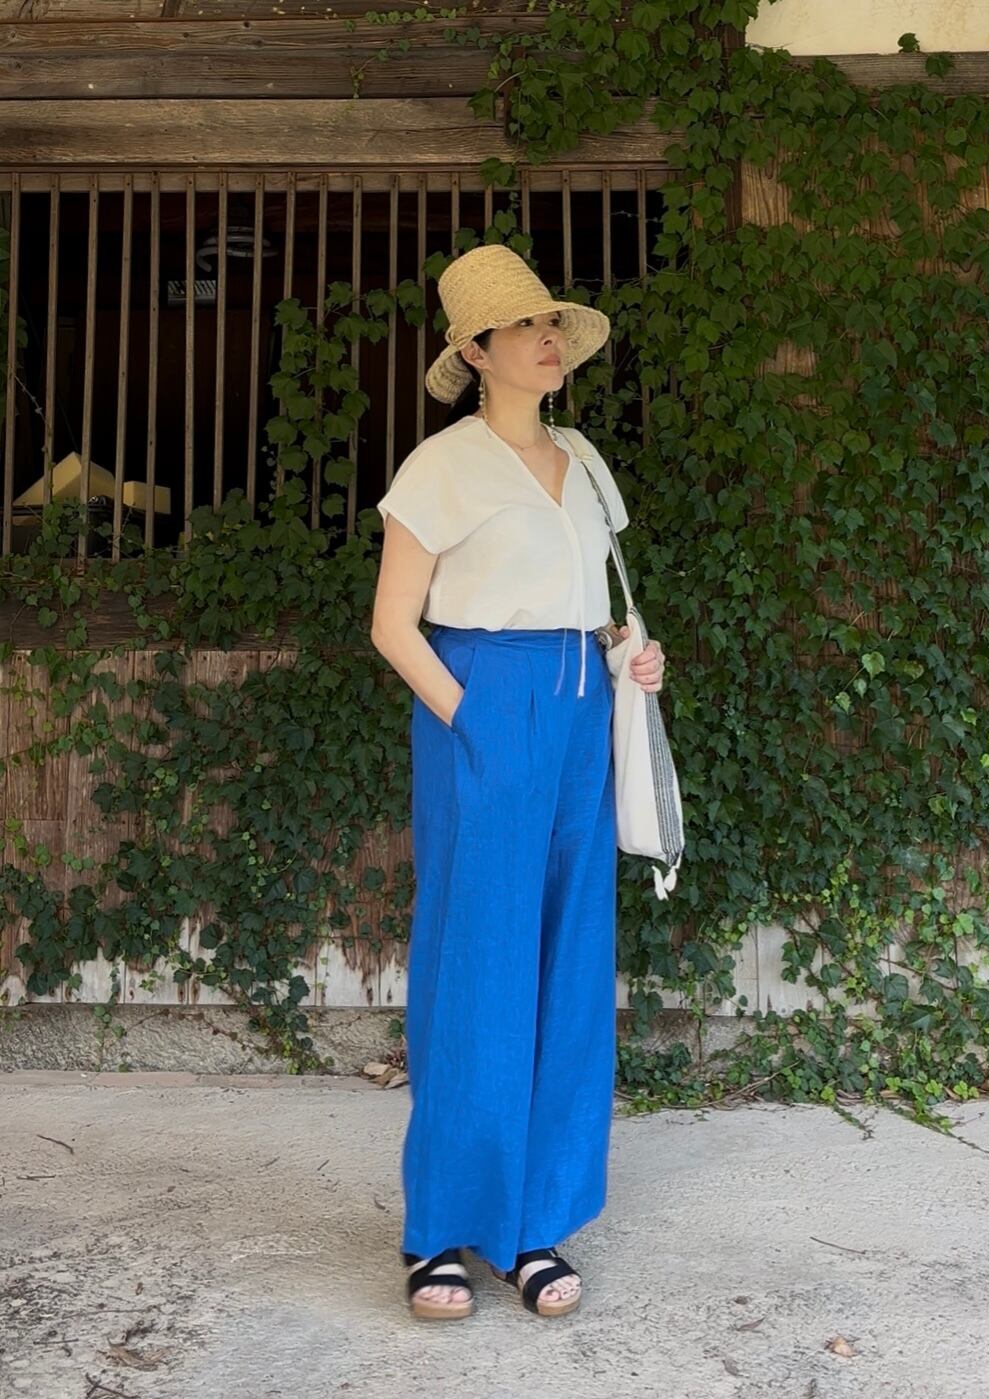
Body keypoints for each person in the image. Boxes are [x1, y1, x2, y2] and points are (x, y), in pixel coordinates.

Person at [370, 243, 666, 1321]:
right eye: (527, 327)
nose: (548, 340)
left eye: (553, 324)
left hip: (582, 708)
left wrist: (629, 653)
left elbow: (592, 600)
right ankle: (439, 1231)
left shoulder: (583, 460)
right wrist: (473, 717)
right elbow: (391, 625)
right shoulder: (439, 467)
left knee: (568, 962)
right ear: (477, 350)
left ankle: (535, 1223)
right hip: (483, 703)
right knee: (477, 961)